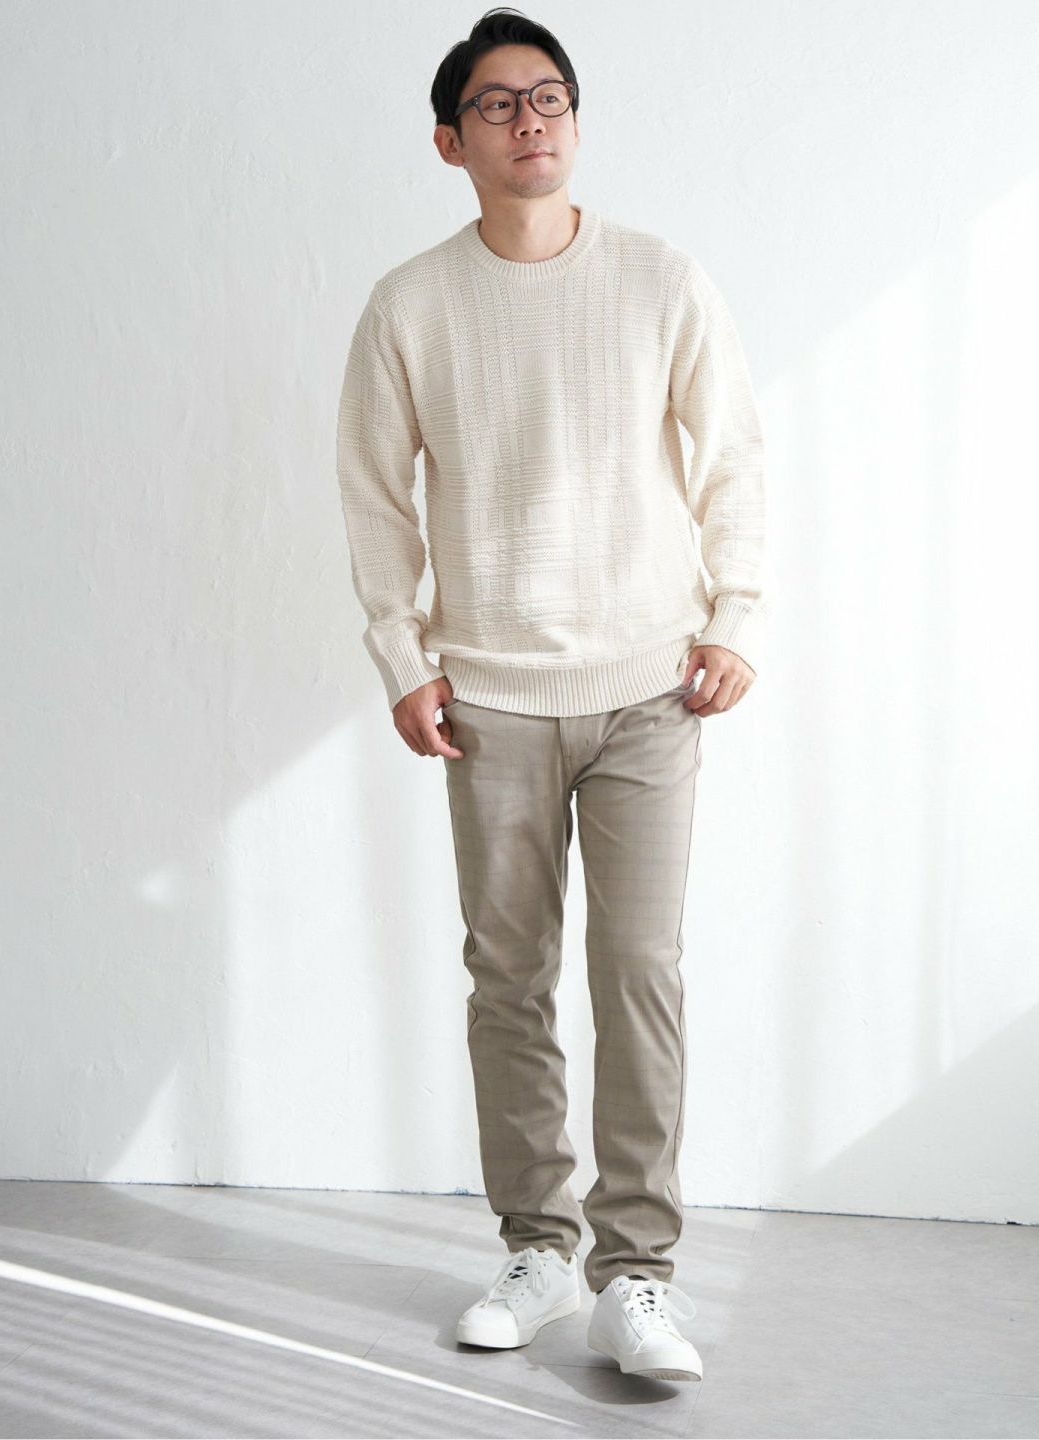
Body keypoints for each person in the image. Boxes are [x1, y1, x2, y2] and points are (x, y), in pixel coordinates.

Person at [336, 5, 773, 1385]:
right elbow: (374, 495)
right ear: (448, 140)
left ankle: (637, 1275)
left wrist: (737, 618)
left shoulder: (660, 280)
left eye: (551, 97)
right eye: (498, 102)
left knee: (638, 972)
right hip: (490, 702)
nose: (531, 119)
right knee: (509, 977)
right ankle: (537, 1249)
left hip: (652, 691)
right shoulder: (411, 305)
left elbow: (734, 459)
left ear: (574, 121)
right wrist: (405, 658)